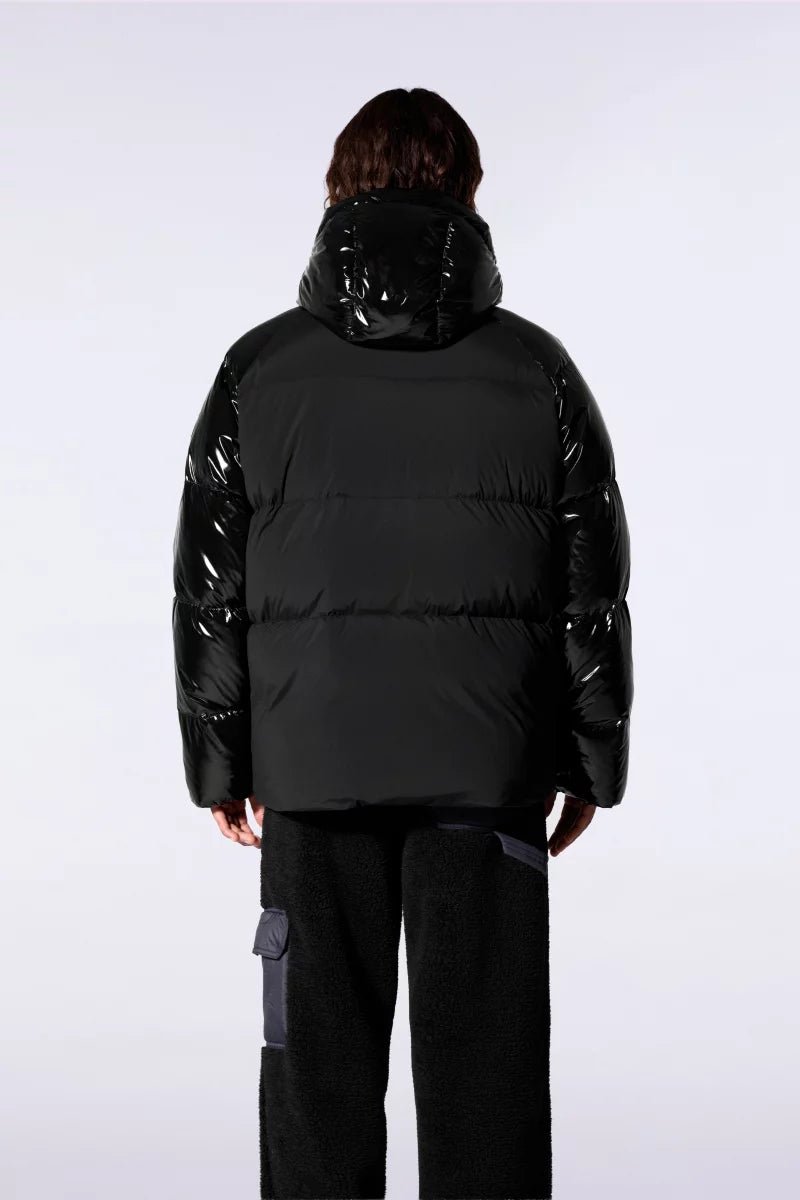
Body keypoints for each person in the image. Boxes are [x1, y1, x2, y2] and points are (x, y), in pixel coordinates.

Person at [171, 87, 633, 1200]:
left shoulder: (256, 370)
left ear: (338, 189)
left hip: (311, 775)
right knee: (487, 1089)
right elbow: (590, 590)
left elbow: (209, 587)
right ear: (467, 191)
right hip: (487, 780)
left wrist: (221, 763)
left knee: (316, 1091)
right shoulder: (538, 371)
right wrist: (589, 762)